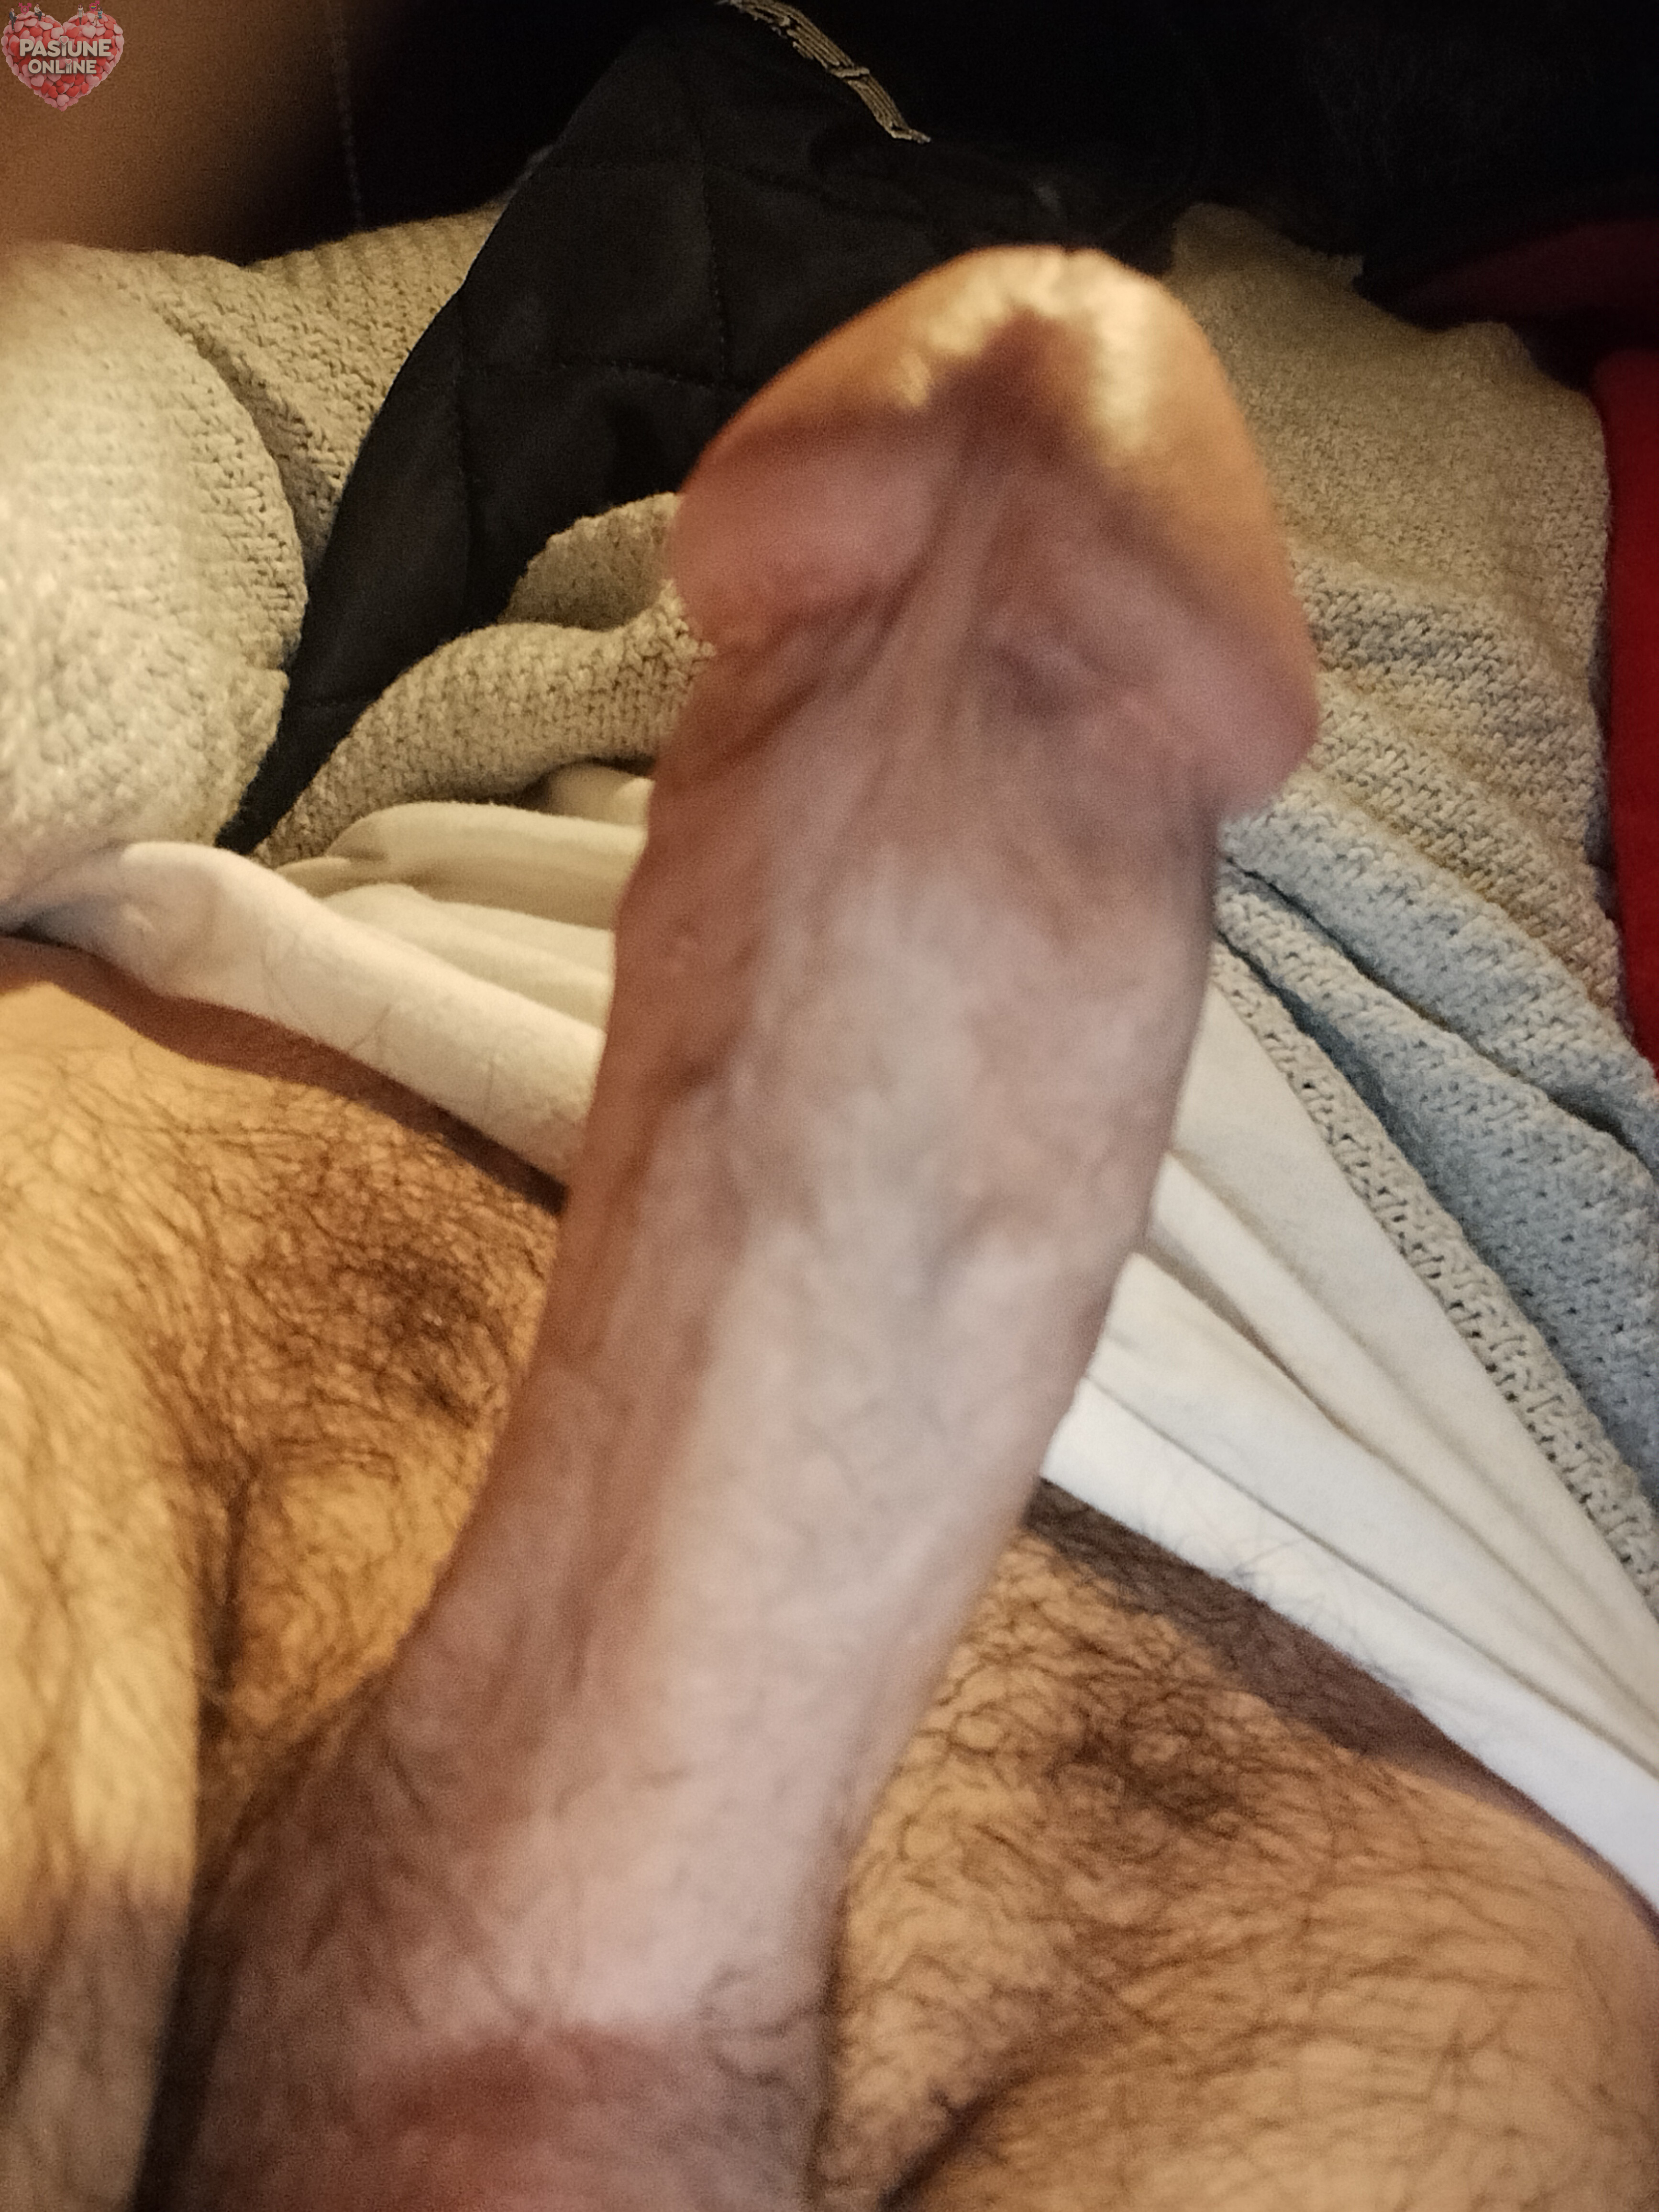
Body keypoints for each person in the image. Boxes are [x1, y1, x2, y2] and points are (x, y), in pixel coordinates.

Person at [2, 243, 1656, 2212]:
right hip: (418, 1014)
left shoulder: (1537, 472)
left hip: (1397, 1449)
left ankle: (586, 1905)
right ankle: (568, 1997)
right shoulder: (789, 162)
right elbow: (202, 409)